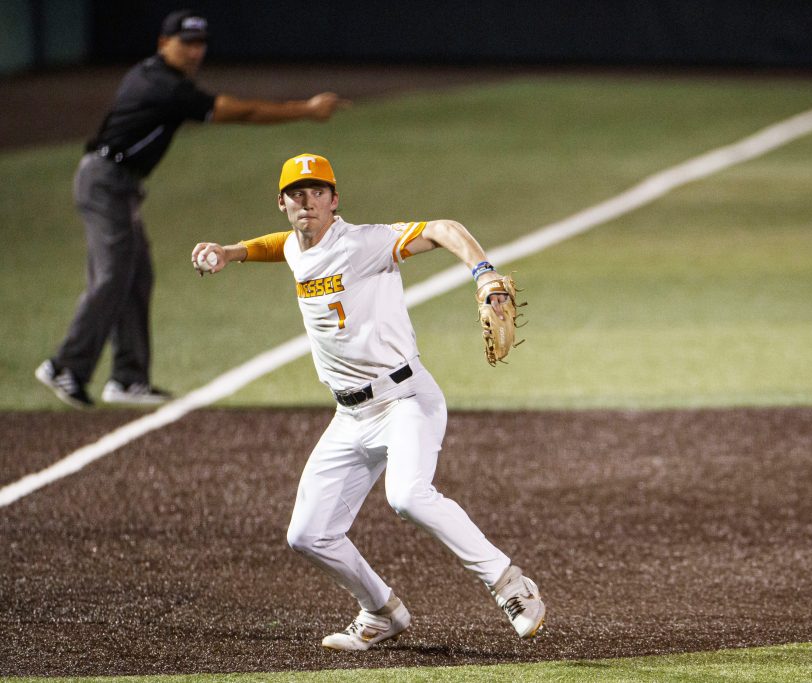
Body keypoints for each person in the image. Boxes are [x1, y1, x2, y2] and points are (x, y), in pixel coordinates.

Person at [189, 152, 546, 651]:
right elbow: (280, 248)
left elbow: (445, 227)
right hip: (350, 416)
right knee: (308, 535)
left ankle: (510, 584)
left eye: (317, 192)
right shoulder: (297, 246)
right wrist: (231, 252)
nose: (306, 201)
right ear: (283, 203)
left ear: (335, 200)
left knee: (407, 495)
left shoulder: (363, 243)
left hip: (405, 399)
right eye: (297, 193)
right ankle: (381, 611)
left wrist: (483, 273)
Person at [35, 9, 346, 408]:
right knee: (113, 274)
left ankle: (128, 379)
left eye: (200, 44)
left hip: (119, 184)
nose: (195, 52)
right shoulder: (164, 86)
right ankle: (66, 366)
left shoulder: (153, 76)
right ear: (164, 43)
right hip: (104, 183)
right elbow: (243, 112)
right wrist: (306, 110)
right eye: (186, 43)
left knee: (135, 276)